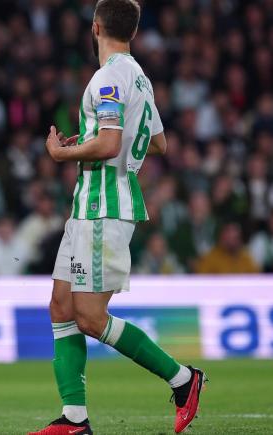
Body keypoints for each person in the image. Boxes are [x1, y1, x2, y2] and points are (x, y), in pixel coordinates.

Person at [32, 1, 206, 434]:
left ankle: (183, 380)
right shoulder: (140, 78)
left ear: (95, 27)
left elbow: (109, 145)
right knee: (61, 305)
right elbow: (160, 144)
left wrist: (62, 152)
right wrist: (94, 139)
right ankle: (75, 420)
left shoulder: (107, 76)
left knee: (89, 317)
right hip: (88, 207)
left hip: (103, 207)